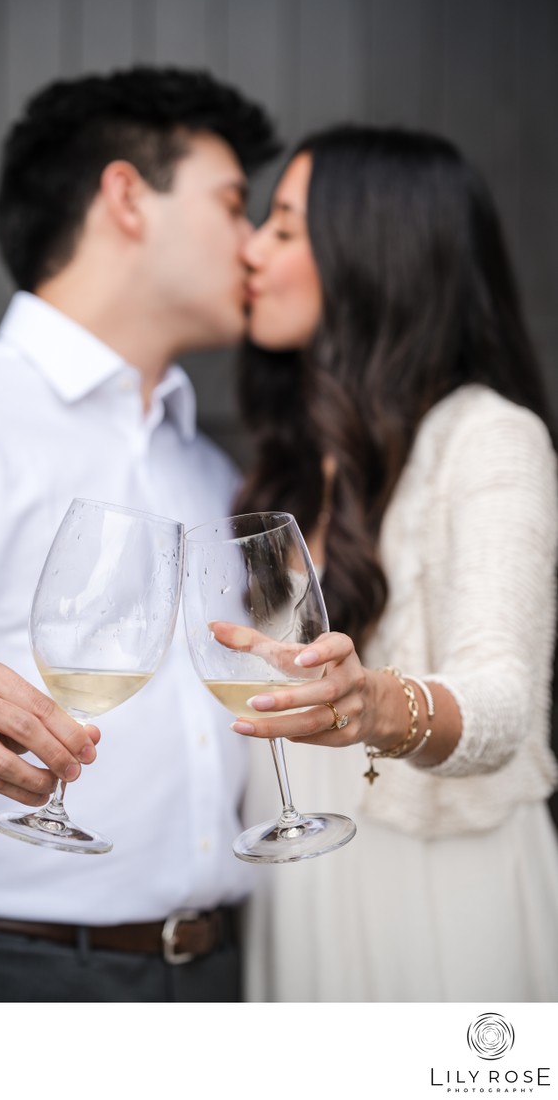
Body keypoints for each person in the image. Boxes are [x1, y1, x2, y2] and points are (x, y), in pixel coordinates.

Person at [0, 66, 280, 1002]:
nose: (254, 244)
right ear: (127, 196)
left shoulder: (214, 478)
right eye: (231, 204)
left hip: (219, 979)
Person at [229, 125, 558, 1001]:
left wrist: (375, 702)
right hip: (298, 881)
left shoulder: (487, 438)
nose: (250, 249)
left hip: (439, 889)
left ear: (374, 250)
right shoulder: (291, 461)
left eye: (285, 228)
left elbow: (504, 702)